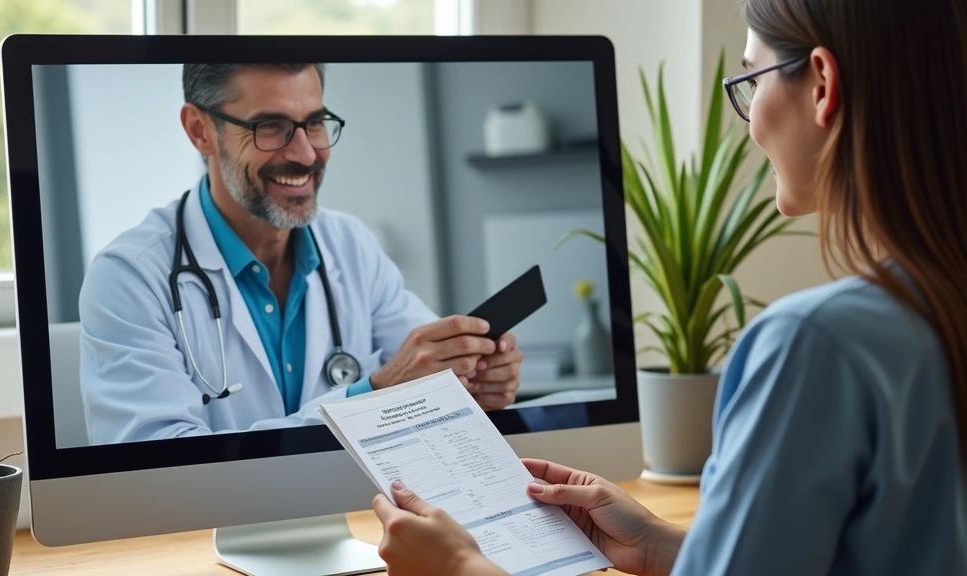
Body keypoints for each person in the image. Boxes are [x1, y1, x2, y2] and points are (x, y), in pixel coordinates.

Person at [370, 0, 967, 574]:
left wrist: (460, 568)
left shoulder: (817, 344)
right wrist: (666, 548)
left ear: (820, 85)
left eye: (752, 79)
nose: (751, 119)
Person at [78, 63, 523, 445]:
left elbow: (424, 374)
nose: (306, 153)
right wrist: (373, 395)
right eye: (270, 126)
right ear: (201, 131)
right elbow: (154, 469)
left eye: (314, 122)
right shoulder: (130, 277)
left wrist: (470, 381)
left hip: (355, 519)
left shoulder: (351, 244)